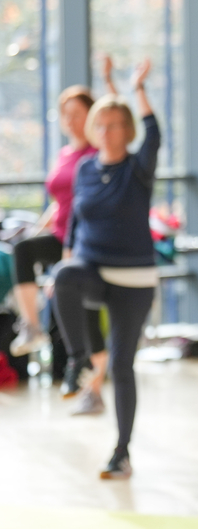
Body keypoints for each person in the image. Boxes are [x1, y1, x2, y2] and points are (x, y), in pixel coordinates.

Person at [51, 59, 160, 479]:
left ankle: (121, 452)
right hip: (93, 270)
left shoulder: (137, 168)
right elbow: (76, 220)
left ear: (127, 130)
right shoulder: (84, 168)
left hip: (133, 281)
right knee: (63, 278)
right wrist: (67, 256)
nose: (108, 131)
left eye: (117, 125)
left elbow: (155, 134)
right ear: (94, 130)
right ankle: (78, 362)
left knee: (121, 366)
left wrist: (137, 89)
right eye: (102, 124)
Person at [9, 57, 121, 416]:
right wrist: (39, 226)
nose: (70, 120)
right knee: (23, 248)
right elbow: (59, 201)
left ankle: (94, 388)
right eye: (65, 113)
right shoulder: (64, 154)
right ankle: (31, 325)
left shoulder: (95, 154)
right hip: (59, 234)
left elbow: (118, 121)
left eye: (77, 113)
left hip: (87, 242)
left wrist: (110, 82)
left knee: (87, 318)